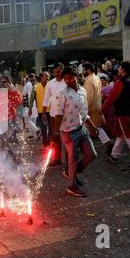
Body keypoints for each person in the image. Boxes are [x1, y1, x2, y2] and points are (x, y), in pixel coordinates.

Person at [53, 66, 98, 198]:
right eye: (65, 79)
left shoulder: (83, 91)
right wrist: (55, 133)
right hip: (68, 132)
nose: (68, 81)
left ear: (76, 76)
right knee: (73, 159)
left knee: (92, 155)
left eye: (70, 78)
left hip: (81, 129)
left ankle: (70, 172)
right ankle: (72, 186)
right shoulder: (62, 93)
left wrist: (92, 126)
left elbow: (85, 112)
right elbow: (58, 114)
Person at [82, 63, 113, 153]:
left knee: (93, 127)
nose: (82, 72)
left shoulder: (90, 80)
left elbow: (88, 97)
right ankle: (107, 143)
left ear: (88, 70)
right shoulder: (96, 78)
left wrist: (85, 110)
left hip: (90, 108)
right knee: (95, 127)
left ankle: (107, 143)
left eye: (84, 70)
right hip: (96, 106)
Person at [42, 64, 67, 166]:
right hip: (53, 114)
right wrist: (44, 113)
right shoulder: (50, 84)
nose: (56, 74)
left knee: (67, 137)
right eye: (55, 72)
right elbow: (46, 99)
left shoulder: (68, 81)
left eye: (59, 71)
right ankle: (57, 158)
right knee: (55, 136)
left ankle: (70, 160)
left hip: (67, 114)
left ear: (62, 71)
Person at [0, 76, 23, 148]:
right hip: (3, 118)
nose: (2, 84)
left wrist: (13, 91)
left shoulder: (14, 93)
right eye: (1, 82)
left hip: (12, 117)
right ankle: (1, 152)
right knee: (1, 136)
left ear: (9, 82)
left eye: (4, 82)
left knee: (8, 137)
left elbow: (19, 102)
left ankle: (7, 152)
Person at [29, 72, 51, 148]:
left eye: (48, 77)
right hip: (41, 112)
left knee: (51, 129)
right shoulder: (35, 87)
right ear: (41, 77)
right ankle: (45, 144)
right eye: (46, 76)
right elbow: (31, 98)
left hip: (51, 111)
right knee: (43, 129)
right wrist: (30, 108)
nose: (48, 78)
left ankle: (49, 143)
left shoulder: (50, 86)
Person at [99, 73, 117, 137]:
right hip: (103, 105)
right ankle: (107, 133)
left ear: (106, 80)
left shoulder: (110, 87)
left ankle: (113, 132)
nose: (101, 81)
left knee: (111, 119)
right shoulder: (100, 88)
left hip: (110, 105)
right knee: (105, 120)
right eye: (100, 80)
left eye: (103, 80)